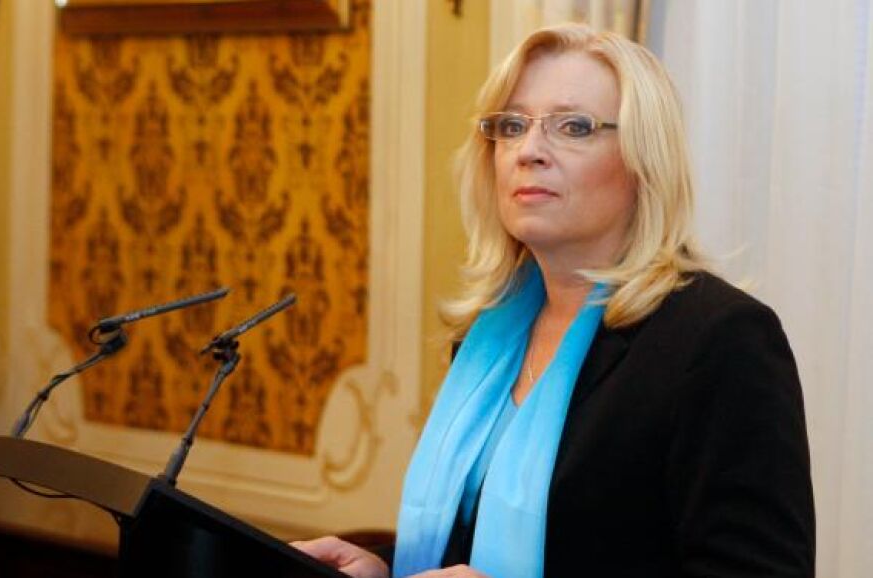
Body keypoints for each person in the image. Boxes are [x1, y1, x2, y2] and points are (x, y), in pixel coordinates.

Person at [293, 23, 815, 578]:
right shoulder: (487, 335)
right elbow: (488, 541)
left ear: (644, 160)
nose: (529, 151)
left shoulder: (721, 341)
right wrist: (384, 568)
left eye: (573, 127)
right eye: (512, 126)